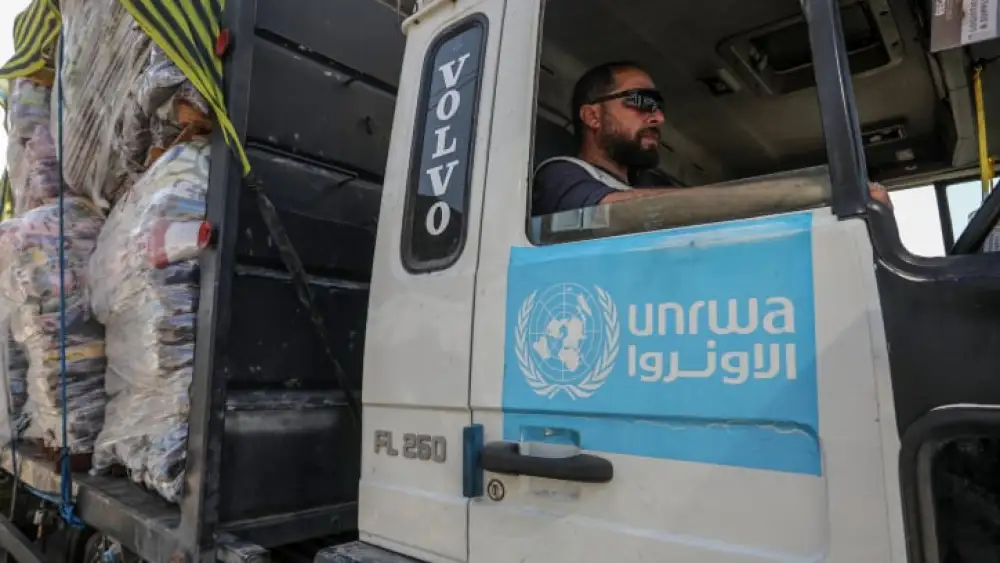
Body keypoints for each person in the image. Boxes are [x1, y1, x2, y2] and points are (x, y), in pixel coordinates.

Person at [531, 60, 892, 216]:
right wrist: (814, 192)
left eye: (659, 105)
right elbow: (624, 212)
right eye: (642, 101)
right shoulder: (560, 176)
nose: (658, 116)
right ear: (592, 115)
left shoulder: (649, 183)